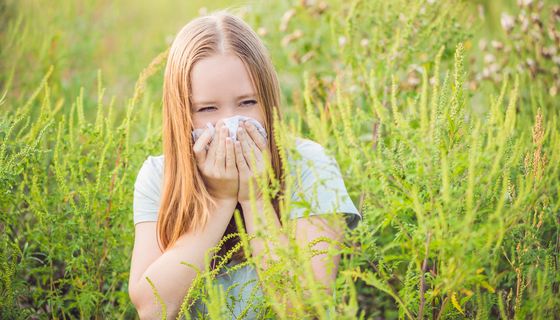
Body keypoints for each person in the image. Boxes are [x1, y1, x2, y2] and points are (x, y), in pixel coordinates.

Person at [128, 10, 362, 319]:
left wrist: (254, 199)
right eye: (207, 108)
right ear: (183, 115)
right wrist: (221, 200)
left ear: (268, 102)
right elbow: (152, 308)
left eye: (247, 103)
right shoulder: (160, 176)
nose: (229, 124)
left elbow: (305, 310)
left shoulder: (310, 166)